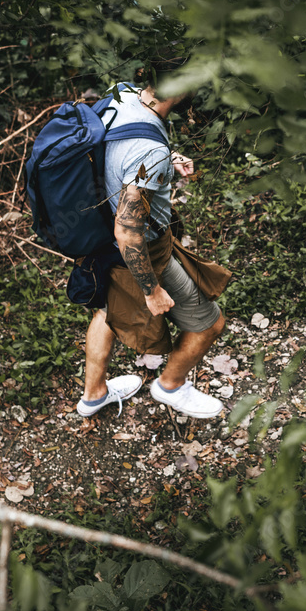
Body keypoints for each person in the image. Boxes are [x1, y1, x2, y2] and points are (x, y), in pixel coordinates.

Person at [77, 66, 232, 420]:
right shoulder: (149, 153)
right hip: (141, 253)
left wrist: (166, 157)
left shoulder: (125, 93)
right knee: (209, 325)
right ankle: (171, 386)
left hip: (99, 235)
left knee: (109, 310)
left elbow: (120, 148)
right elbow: (129, 232)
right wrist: (151, 290)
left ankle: (93, 394)